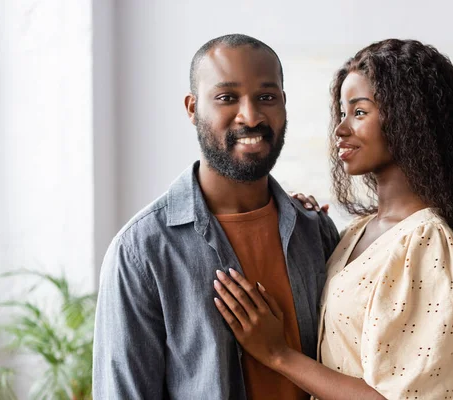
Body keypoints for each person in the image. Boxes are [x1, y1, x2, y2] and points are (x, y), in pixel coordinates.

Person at [213, 39, 453, 399]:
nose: (341, 129)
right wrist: (297, 218)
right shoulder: (357, 232)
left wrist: (277, 354)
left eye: (359, 112)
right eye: (342, 113)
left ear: (409, 117)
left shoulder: (428, 243)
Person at [92, 34, 340, 399]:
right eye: (227, 97)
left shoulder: (314, 229)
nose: (251, 116)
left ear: (284, 104)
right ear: (192, 108)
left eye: (266, 97)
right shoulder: (142, 251)